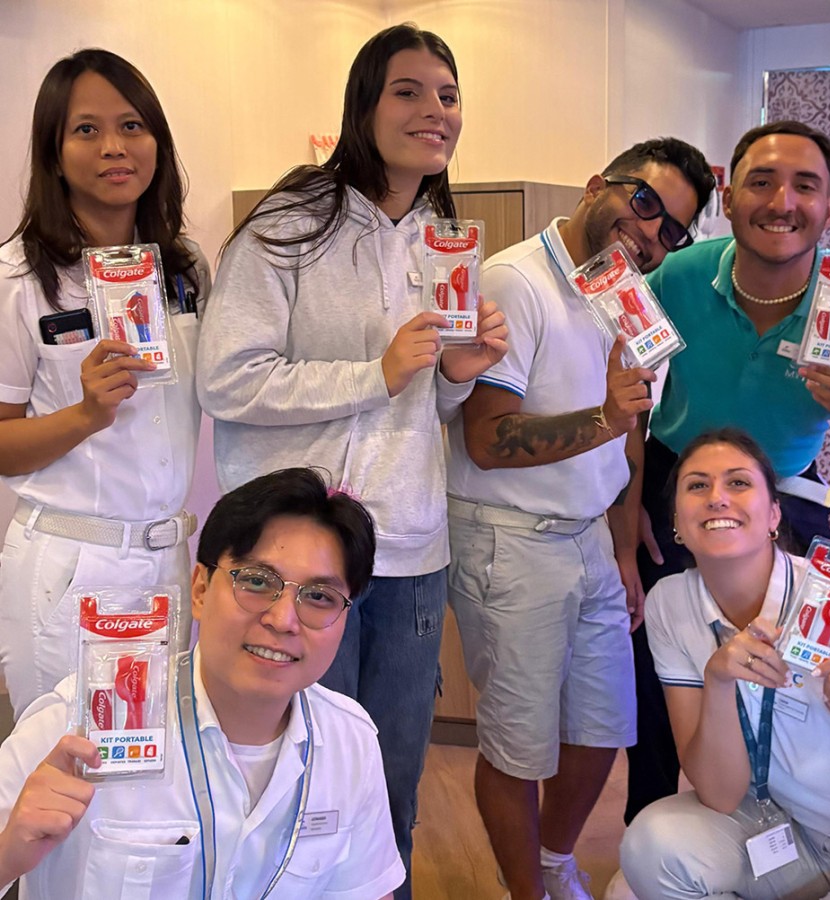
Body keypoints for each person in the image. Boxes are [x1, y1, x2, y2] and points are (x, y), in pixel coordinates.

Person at [196, 24, 507, 896]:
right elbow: (227, 379)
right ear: (362, 105)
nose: (433, 110)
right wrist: (375, 372)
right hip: (299, 555)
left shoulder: (445, 238)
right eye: (407, 91)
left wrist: (456, 374)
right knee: (289, 776)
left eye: (448, 95)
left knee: (386, 783)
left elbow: (425, 404)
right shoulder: (289, 224)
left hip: (410, 549)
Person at [445, 138, 715, 900]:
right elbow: (487, 439)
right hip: (509, 536)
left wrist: (624, 550)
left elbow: (631, 436)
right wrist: (603, 417)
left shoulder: (629, 296)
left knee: (603, 729)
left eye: (672, 230)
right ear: (598, 185)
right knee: (518, 744)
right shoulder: (516, 281)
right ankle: (524, 891)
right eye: (644, 203)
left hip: (589, 536)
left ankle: (553, 861)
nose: (650, 232)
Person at [626, 119, 830, 824]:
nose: (782, 202)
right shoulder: (681, 276)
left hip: (787, 489)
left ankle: (792, 830)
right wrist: (625, 517)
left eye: (805, 186)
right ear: (729, 196)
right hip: (672, 484)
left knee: (793, 677)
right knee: (658, 670)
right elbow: (625, 389)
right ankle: (651, 831)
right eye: (762, 182)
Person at [0, 467, 404, 899]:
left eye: (319, 597)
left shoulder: (350, 742)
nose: (283, 619)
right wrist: (9, 851)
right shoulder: (76, 726)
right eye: (256, 581)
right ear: (200, 590)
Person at [0, 49, 209, 720]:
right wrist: (85, 413)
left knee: (152, 755)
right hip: (72, 563)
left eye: (132, 126)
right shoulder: (18, 280)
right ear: (54, 154)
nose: (114, 147)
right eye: (87, 130)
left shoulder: (185, 271)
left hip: (167, 561)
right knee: (62, 757)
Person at [620, 428, 830, 899]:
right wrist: (718, 682)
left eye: (738, 483)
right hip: (779, 831)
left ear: (773, 514)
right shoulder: (670, 604)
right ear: (676, 522)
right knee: (652, 846)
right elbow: (719, 794)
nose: (717, 498)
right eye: (697, 485)